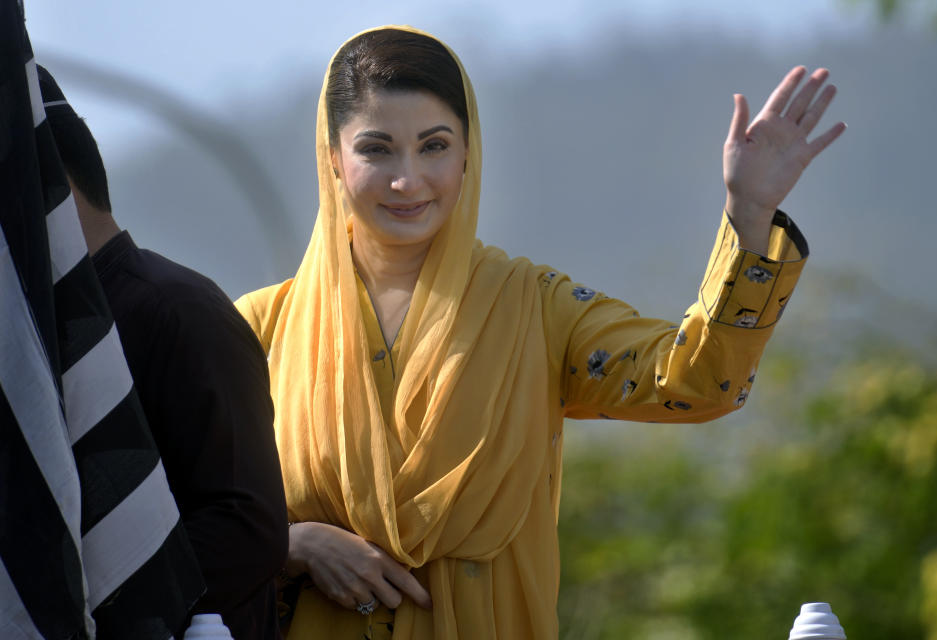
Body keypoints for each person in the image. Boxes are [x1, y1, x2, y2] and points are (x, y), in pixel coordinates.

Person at [235, 25, 845, 639]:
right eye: (377, 149)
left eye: (434, 146)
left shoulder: (534, 308)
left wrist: (749, 214)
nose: (407, 179)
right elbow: (179, 514)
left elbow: (696, 382)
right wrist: (292, 542)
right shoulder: (260, 331)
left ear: (469, 153)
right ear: (333, 157)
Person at [37, 66, 290, 640]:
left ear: (48, 191)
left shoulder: (177, 310)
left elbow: (246, 525)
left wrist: (92, 598)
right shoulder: (34, 335)